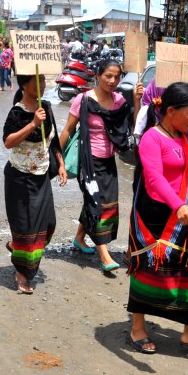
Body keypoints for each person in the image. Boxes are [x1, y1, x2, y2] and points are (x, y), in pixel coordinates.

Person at [126, 82, 188, 355]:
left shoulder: (183, 137)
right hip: (156, 216)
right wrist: (178, 204)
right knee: (147, 271)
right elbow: (155, 179)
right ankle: (137, 328)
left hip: (185, 215)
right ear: (170, 110)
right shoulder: (152, 138)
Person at [59, 59, 137, 271]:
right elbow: (67, 130)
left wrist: (137, 101)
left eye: (117, 77)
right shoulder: (82, 100)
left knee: (105, 202)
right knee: (97, 203)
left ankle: (79, 238)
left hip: (109, 161)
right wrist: (57, 160)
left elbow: (131, 127)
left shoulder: (120, 101)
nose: (112, 81)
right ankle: (104, 255)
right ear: (98, 75)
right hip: (88, 161)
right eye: (108, 76)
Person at [2, 74, 67, 294]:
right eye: (36, 81)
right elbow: (8, 142)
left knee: (47, 225)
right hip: (19, 178)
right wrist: (32, 124)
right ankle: (22, 273)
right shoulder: (17, 112)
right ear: (24, 85)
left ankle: (16, 248)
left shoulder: (46, 107)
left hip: (41, 177)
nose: (42, 84)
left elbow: (53, 139)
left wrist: (61, 164)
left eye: (42, 81)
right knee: (25, 228)